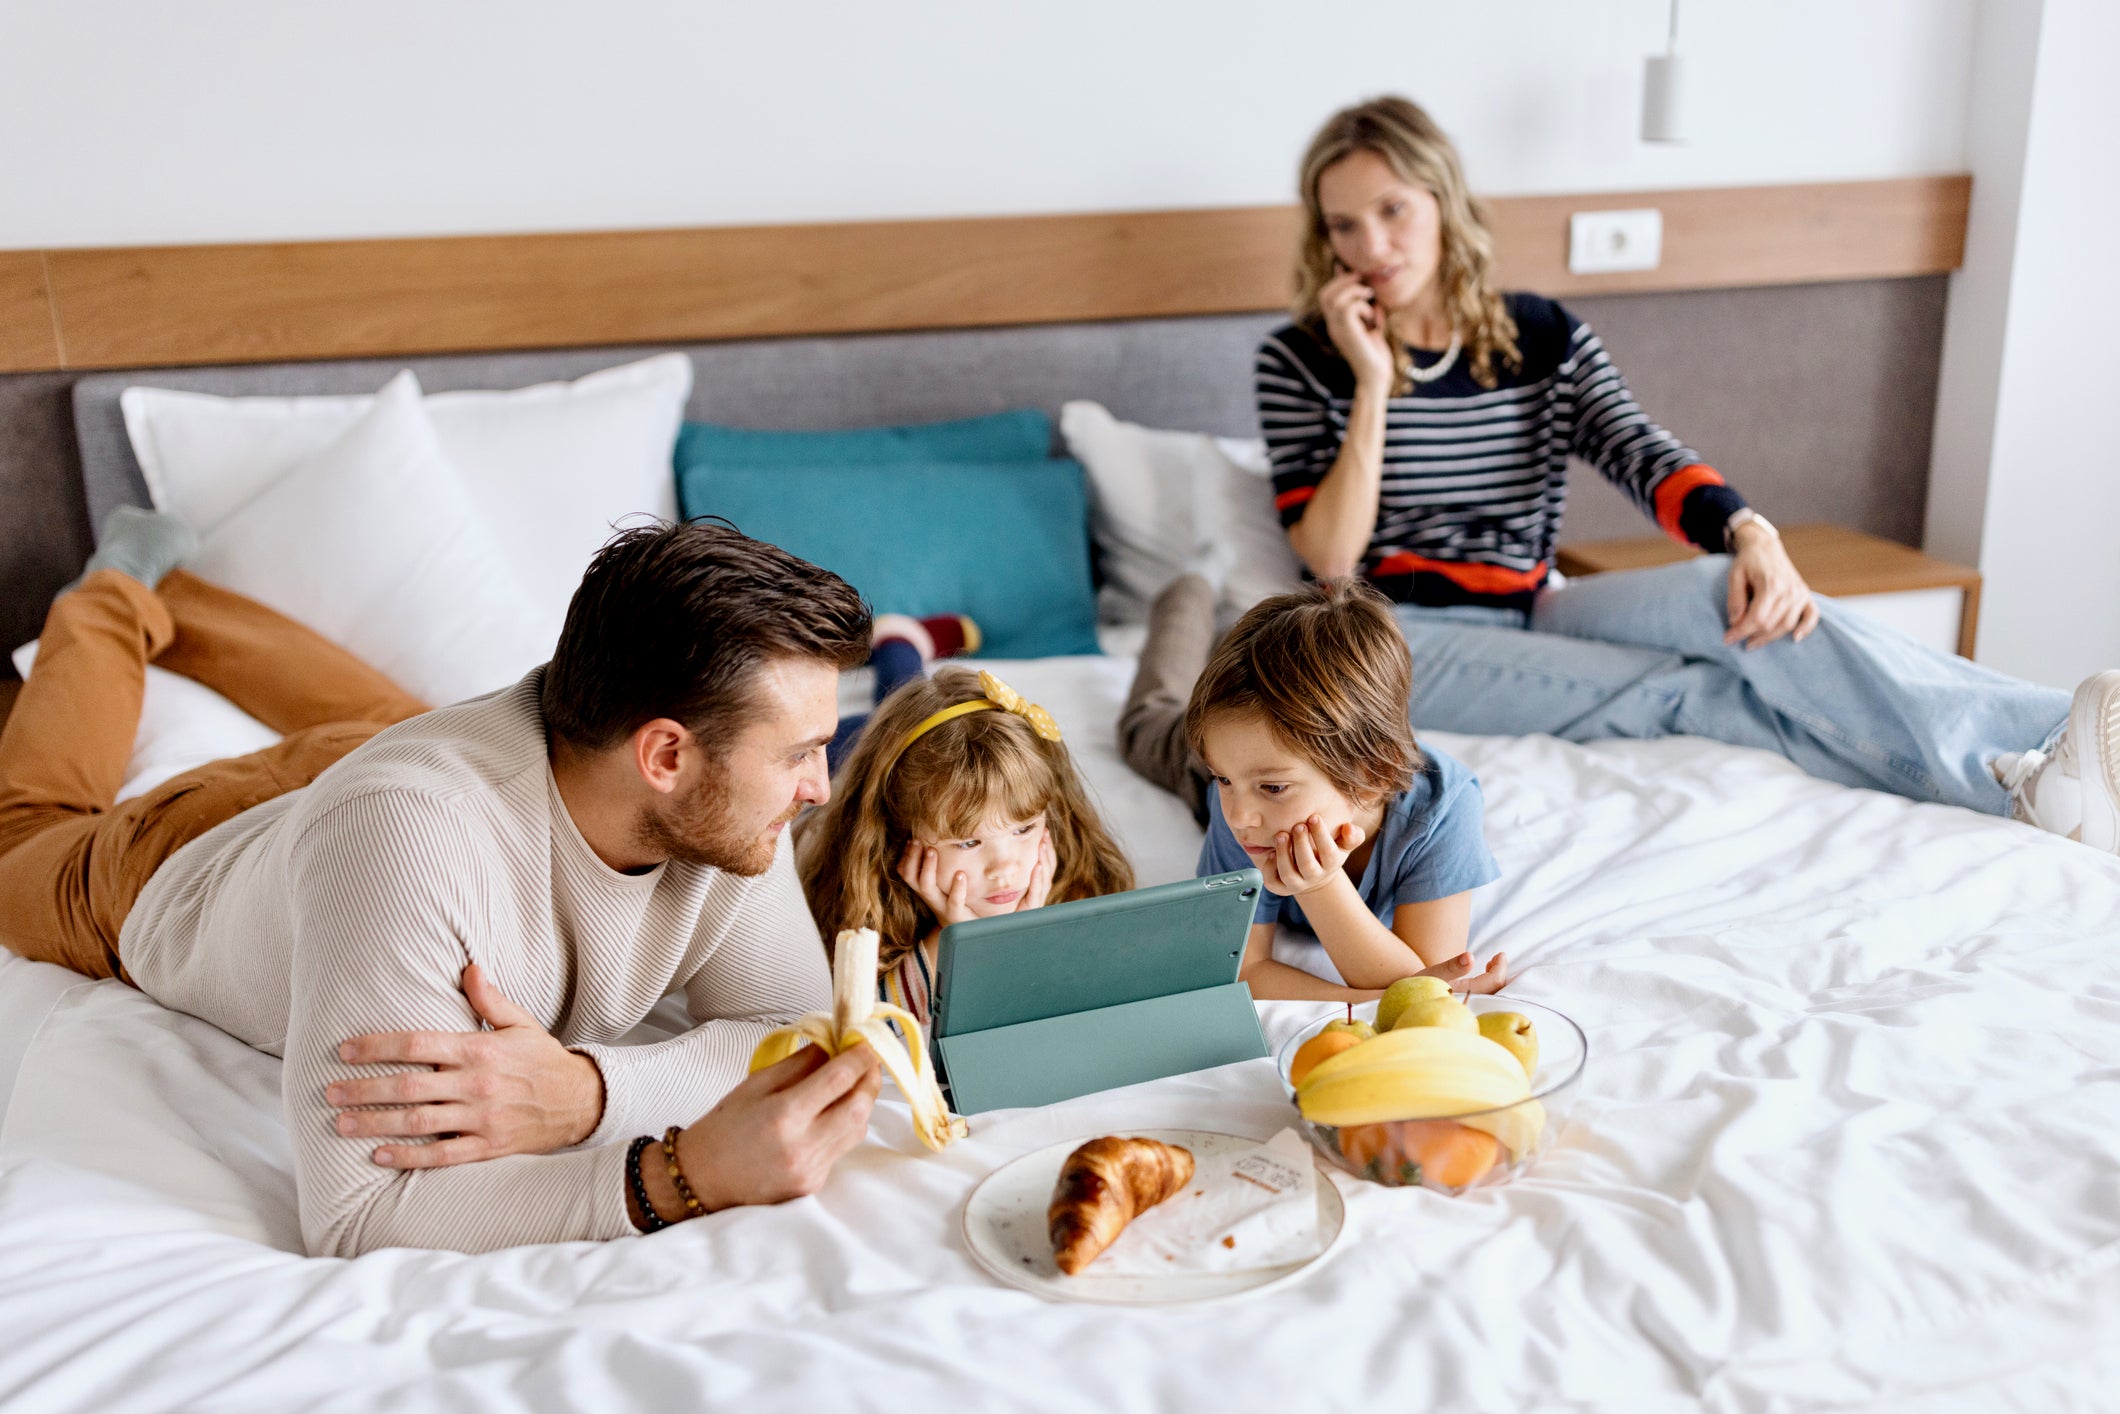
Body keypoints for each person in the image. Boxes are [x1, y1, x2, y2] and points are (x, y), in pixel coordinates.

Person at [0, 510, 892, 1256]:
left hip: (388, 767)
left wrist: (588, 1094)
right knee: (23, 832)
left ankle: (181, 591)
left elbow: (798, 1035)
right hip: (179, 853)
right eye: (801, 754)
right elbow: (359, 1215)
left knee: (384, 725)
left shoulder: (717, 805)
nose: (819, 787)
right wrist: (674, 1176)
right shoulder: (404, 833)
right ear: (665, 753)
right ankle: (117, 592)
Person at [1253, 95, 2120, 852]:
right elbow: (1330, 559)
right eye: (1343, 225)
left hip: (1534, 602)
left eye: (1393, 210)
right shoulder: (1299, 360)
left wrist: (1751, 532)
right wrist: (1370, 383)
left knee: (1734, 599)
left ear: (1443, 203)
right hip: (1395, 642)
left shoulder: (1537, 335)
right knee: (1691, 690)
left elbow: (1638, 449)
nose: (1371, 244)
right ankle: (2003, 790)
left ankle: (2059, 737)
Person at [1140, 577, 1509, 1002]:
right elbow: (1241, 968)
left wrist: (1319, 886)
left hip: (1251, 746)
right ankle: (1184, 597)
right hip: (1201, 753)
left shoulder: (1443, 810)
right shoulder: (1241, 799)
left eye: (1274, 787)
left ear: (1372, 777)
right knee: (1148, 719)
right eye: (1225, 781)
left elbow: (1423, 977)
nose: (1238, 816)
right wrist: (1371, 1002)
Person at [798, 665, 1135, 1024]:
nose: (1005, 867)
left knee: (902, 679)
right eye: (969, 842)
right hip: (848, 751)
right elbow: (862, 1025)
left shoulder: (1068, 870)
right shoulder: (860, 897)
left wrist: (1014, 940)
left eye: (1023, 829)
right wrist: (954, 939)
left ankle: (904, 643)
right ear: (901, 838)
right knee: (886, 692)